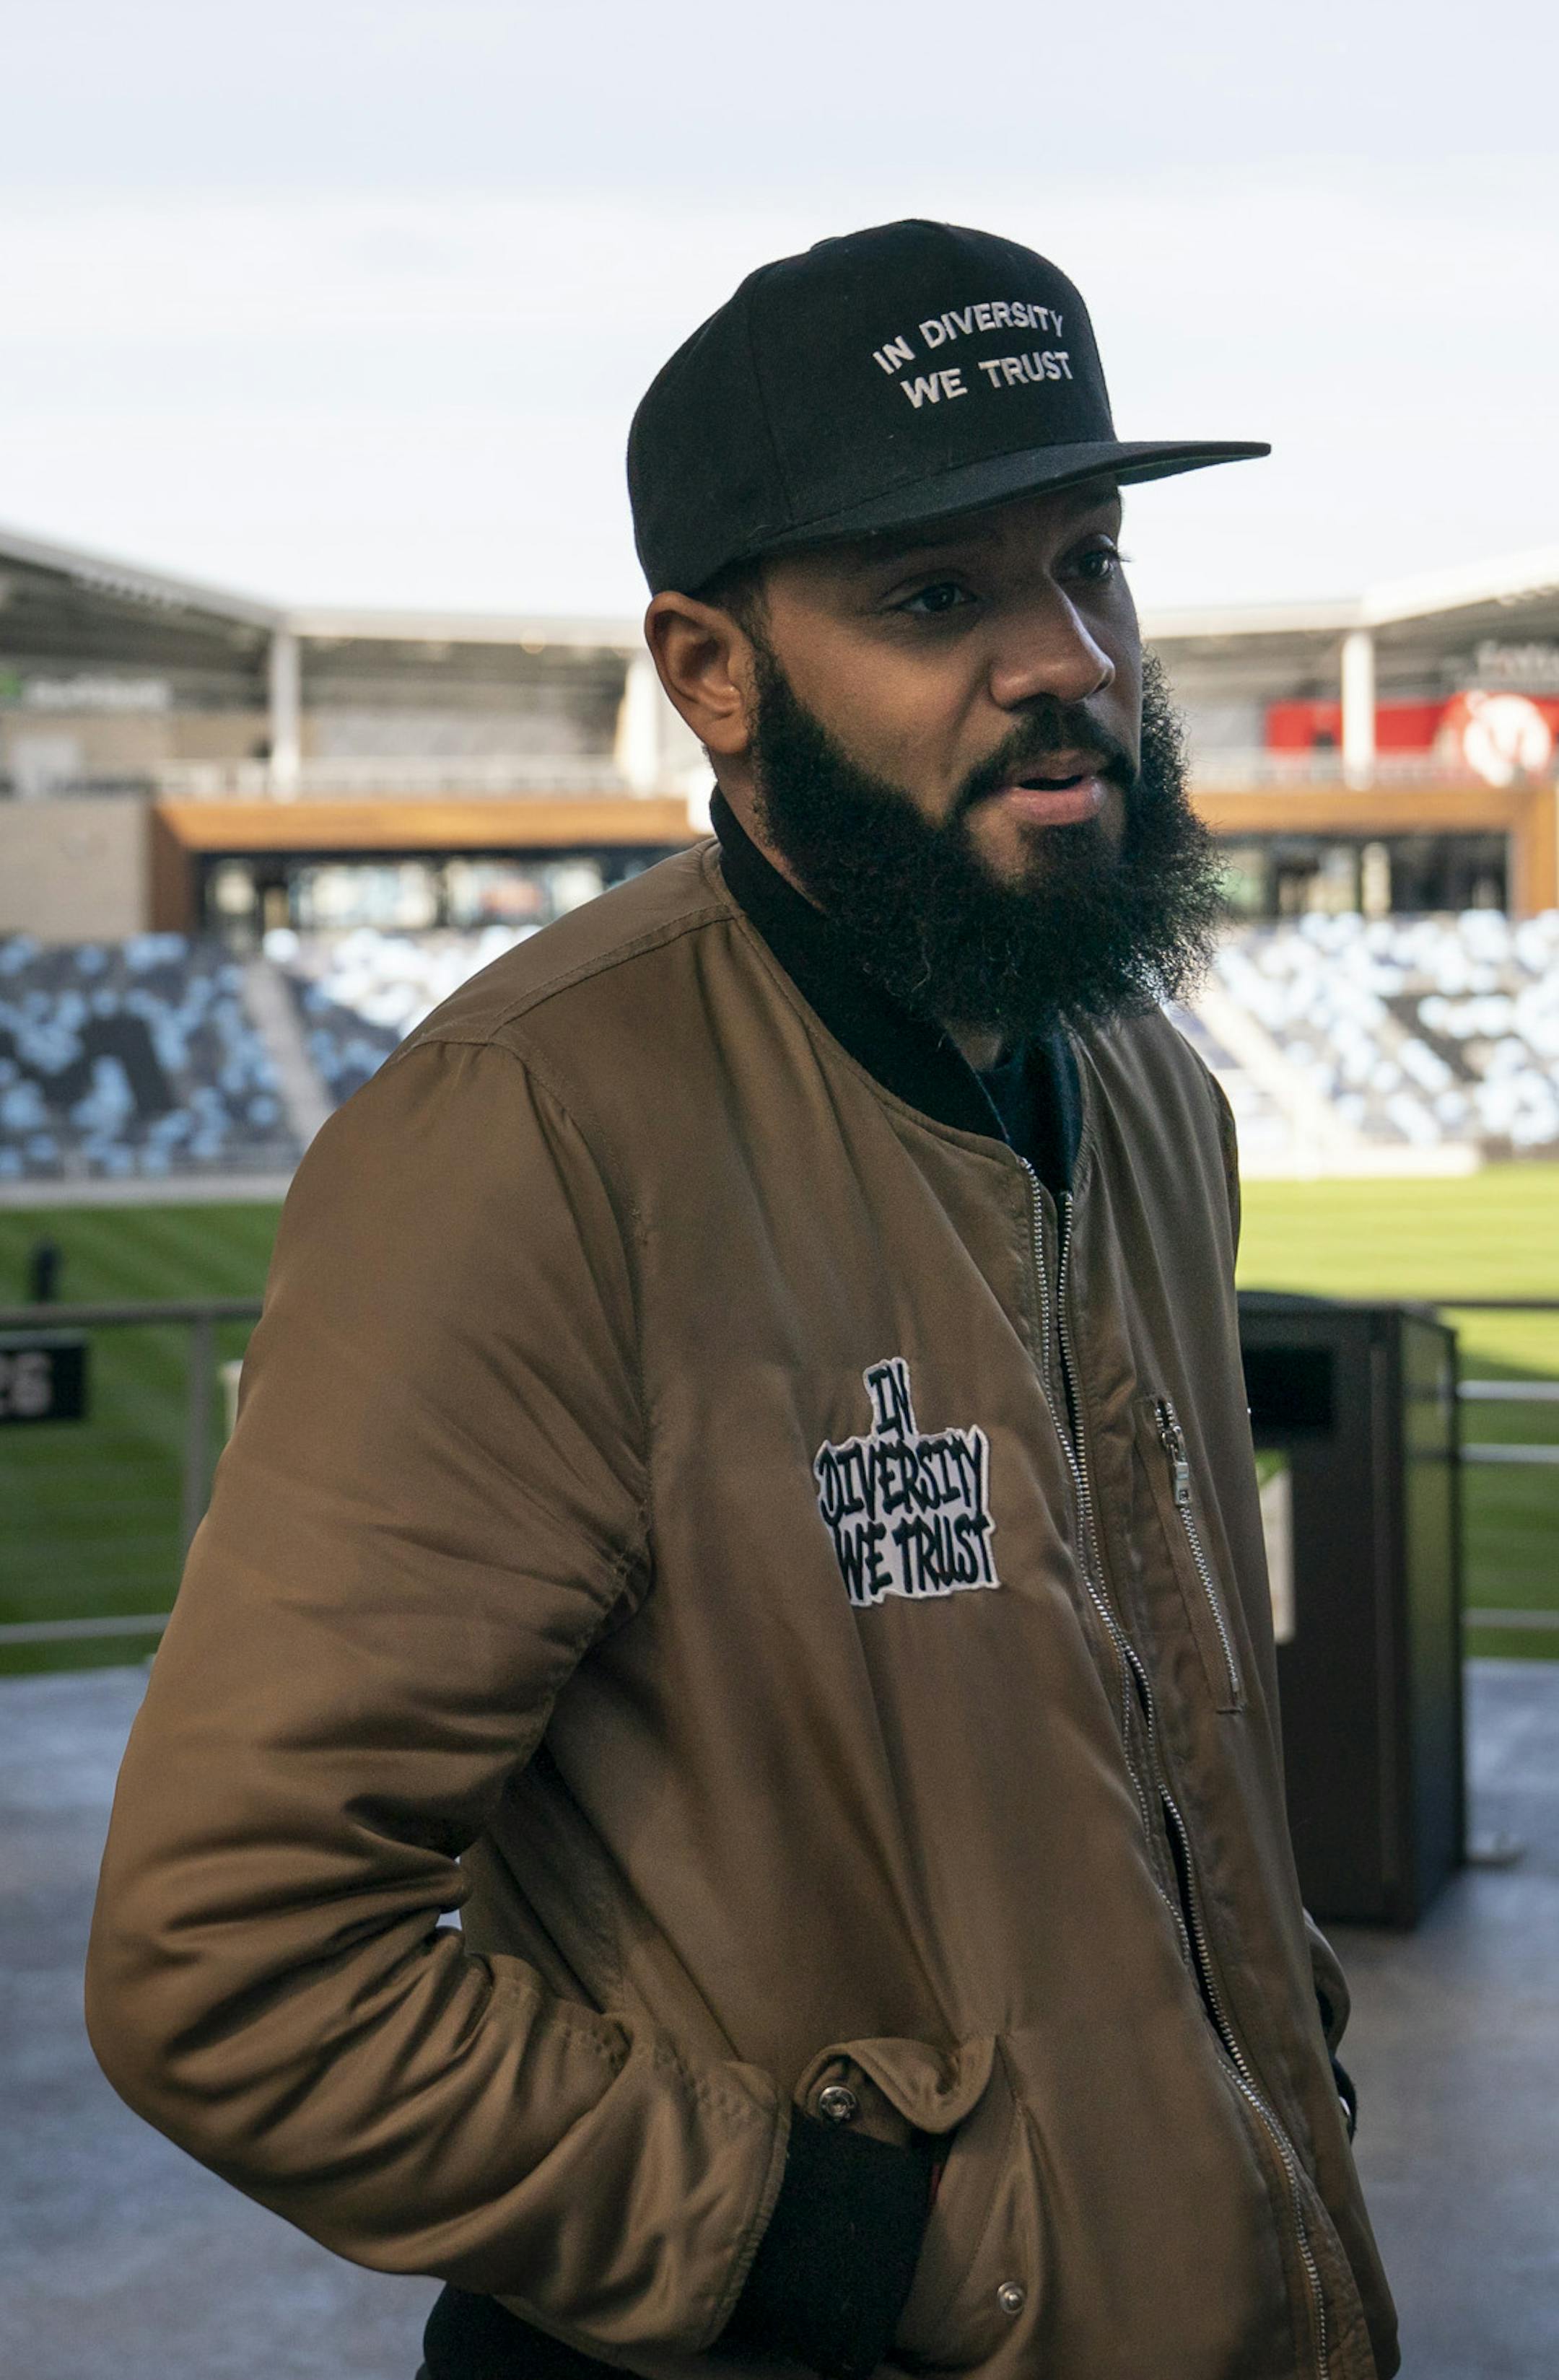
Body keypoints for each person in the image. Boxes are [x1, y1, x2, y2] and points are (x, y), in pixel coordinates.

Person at [86, 220, 1398, 2380]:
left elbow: (1157, 1752)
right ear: (711, 666)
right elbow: (226, 1964)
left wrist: (1272, 2087)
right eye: (935, 595)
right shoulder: (525, 1140)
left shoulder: (1151, 1091)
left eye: (1093, 559)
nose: (1065, 655)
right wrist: (858, 2244)